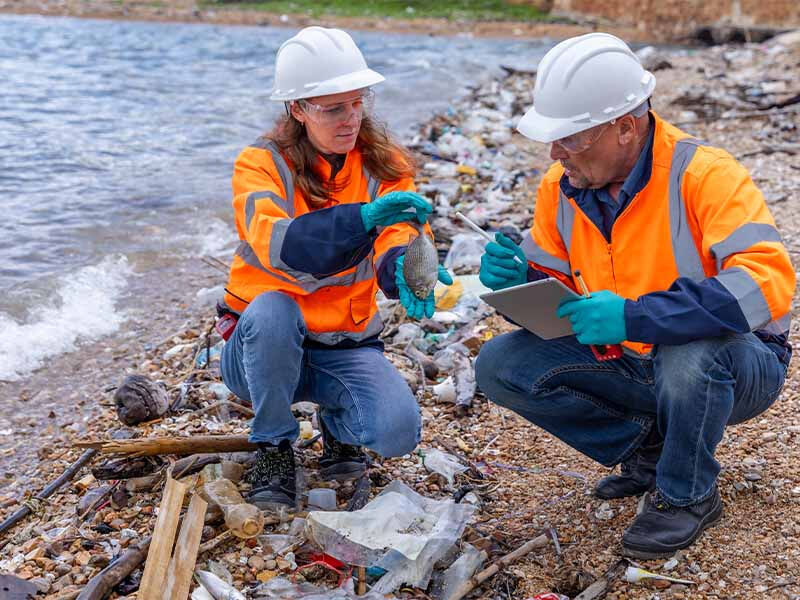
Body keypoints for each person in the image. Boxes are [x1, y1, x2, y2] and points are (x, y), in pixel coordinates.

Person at [474, 33, 794, 559]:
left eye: (570, 138)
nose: (555, 154)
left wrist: (634, 317)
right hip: (633, 356)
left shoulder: (706, 174)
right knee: (500, 364)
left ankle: (686, 494)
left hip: (741, 363)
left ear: (626, 127)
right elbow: (558, 276)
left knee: (690, 349)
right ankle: (650, 447)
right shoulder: (562, 183)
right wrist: (517, 274)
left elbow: (767, 283)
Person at [218, 26, 452, 508]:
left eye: (357, 101)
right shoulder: (259, 165)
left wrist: (405, 269)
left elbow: (401, 233)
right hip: (259, 351)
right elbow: (278, 245)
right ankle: (274, 444)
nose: (351, 118)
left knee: (397, 433)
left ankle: (337, 423)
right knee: (272, 311)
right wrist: (359, 220)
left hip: (341, 344)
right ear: (297, 109)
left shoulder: (384, 165)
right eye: (332, 107)